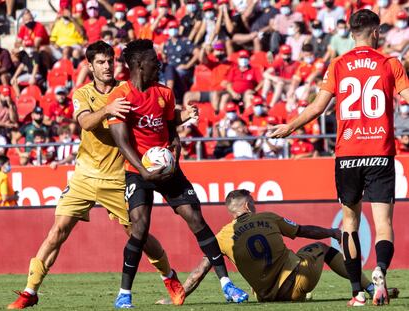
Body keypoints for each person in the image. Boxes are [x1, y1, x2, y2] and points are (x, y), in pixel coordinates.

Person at [7, 41, 188, 309]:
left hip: (117, 177)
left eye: (110, 61)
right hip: (84, 176)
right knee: (58, 230)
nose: (107, 67)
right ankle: (30, 291)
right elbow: (85, 122)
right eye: (101, 62)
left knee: (138, 234)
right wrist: (106, 110)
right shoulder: (82, 94)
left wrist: (184, 116)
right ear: (90, 66)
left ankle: (169, 276)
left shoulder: (126, 91)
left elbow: (158, 114)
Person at [271, 9, 409, 306]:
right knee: (383, 223)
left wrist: (290, 127)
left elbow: (317, 108)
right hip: (380, 152)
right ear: (376, 33)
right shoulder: (390, 63)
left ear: (350, 34)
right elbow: (407, 97)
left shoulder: (338, 64)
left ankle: (357, 292)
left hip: (348, 155)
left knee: (349, 223)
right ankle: (381, 271)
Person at [107, 39, 248, 308]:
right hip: (138, 170)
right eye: (153, 60)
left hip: (168, 168)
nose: (158, 64)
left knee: (195, 218)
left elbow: (172, 132)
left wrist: (174, 156)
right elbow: (121, 141)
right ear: (138, 64)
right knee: (139, 227)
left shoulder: (166, 93)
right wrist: (144, 172)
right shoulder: (121, 96)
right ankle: (124, 293)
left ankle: (227, 285)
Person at [157, 189, 393, 304]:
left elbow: (199, 271)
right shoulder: (268, 217)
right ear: (248, 205)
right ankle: (367, 289)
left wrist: (177, 296)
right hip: (297, 282)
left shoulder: (222, 236)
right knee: (324, 249)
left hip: (267, 297)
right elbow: (302, 230)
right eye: (253, 202)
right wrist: (332, 232)